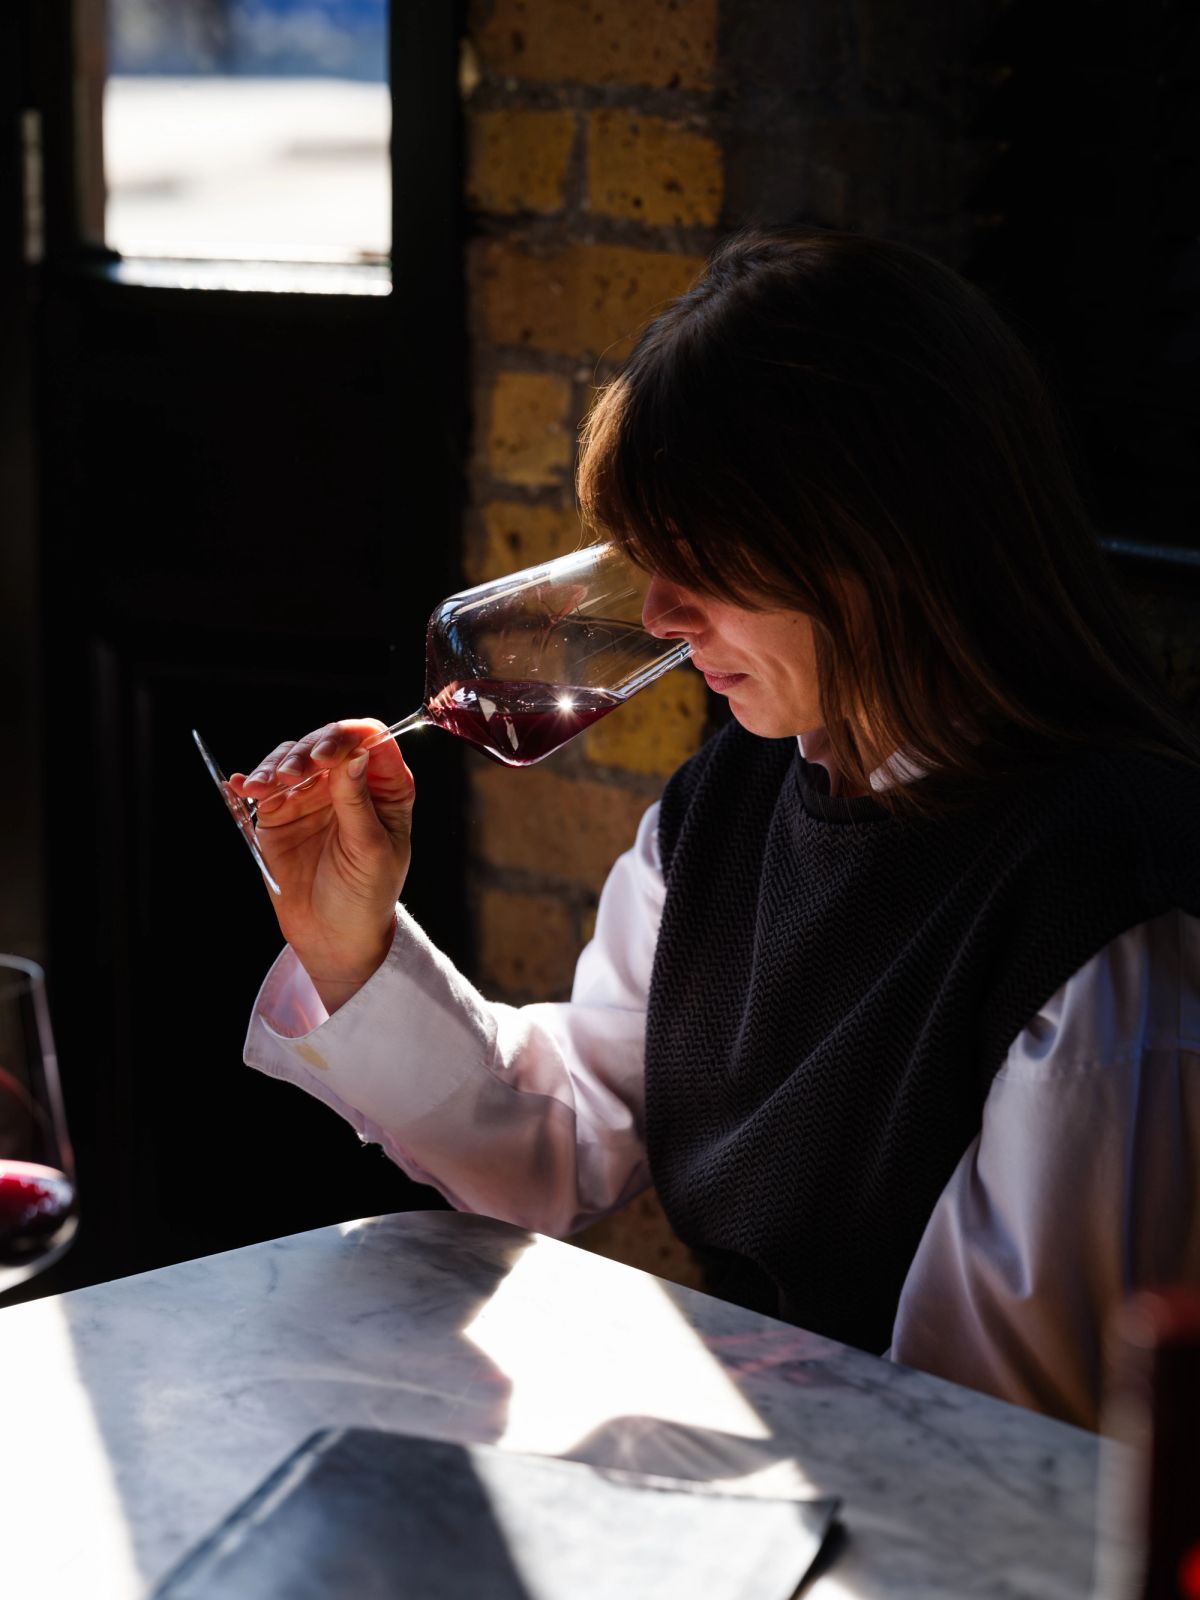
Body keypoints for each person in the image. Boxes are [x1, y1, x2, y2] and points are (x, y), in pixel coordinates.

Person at [233, 227, 1200, 1431]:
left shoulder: (1104, 913)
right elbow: (564, 1142)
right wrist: (354, 944)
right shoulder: (729, 804)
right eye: (650, 557)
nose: (657, 615)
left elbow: (996, 1439)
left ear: (880, 548)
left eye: (708, 562)